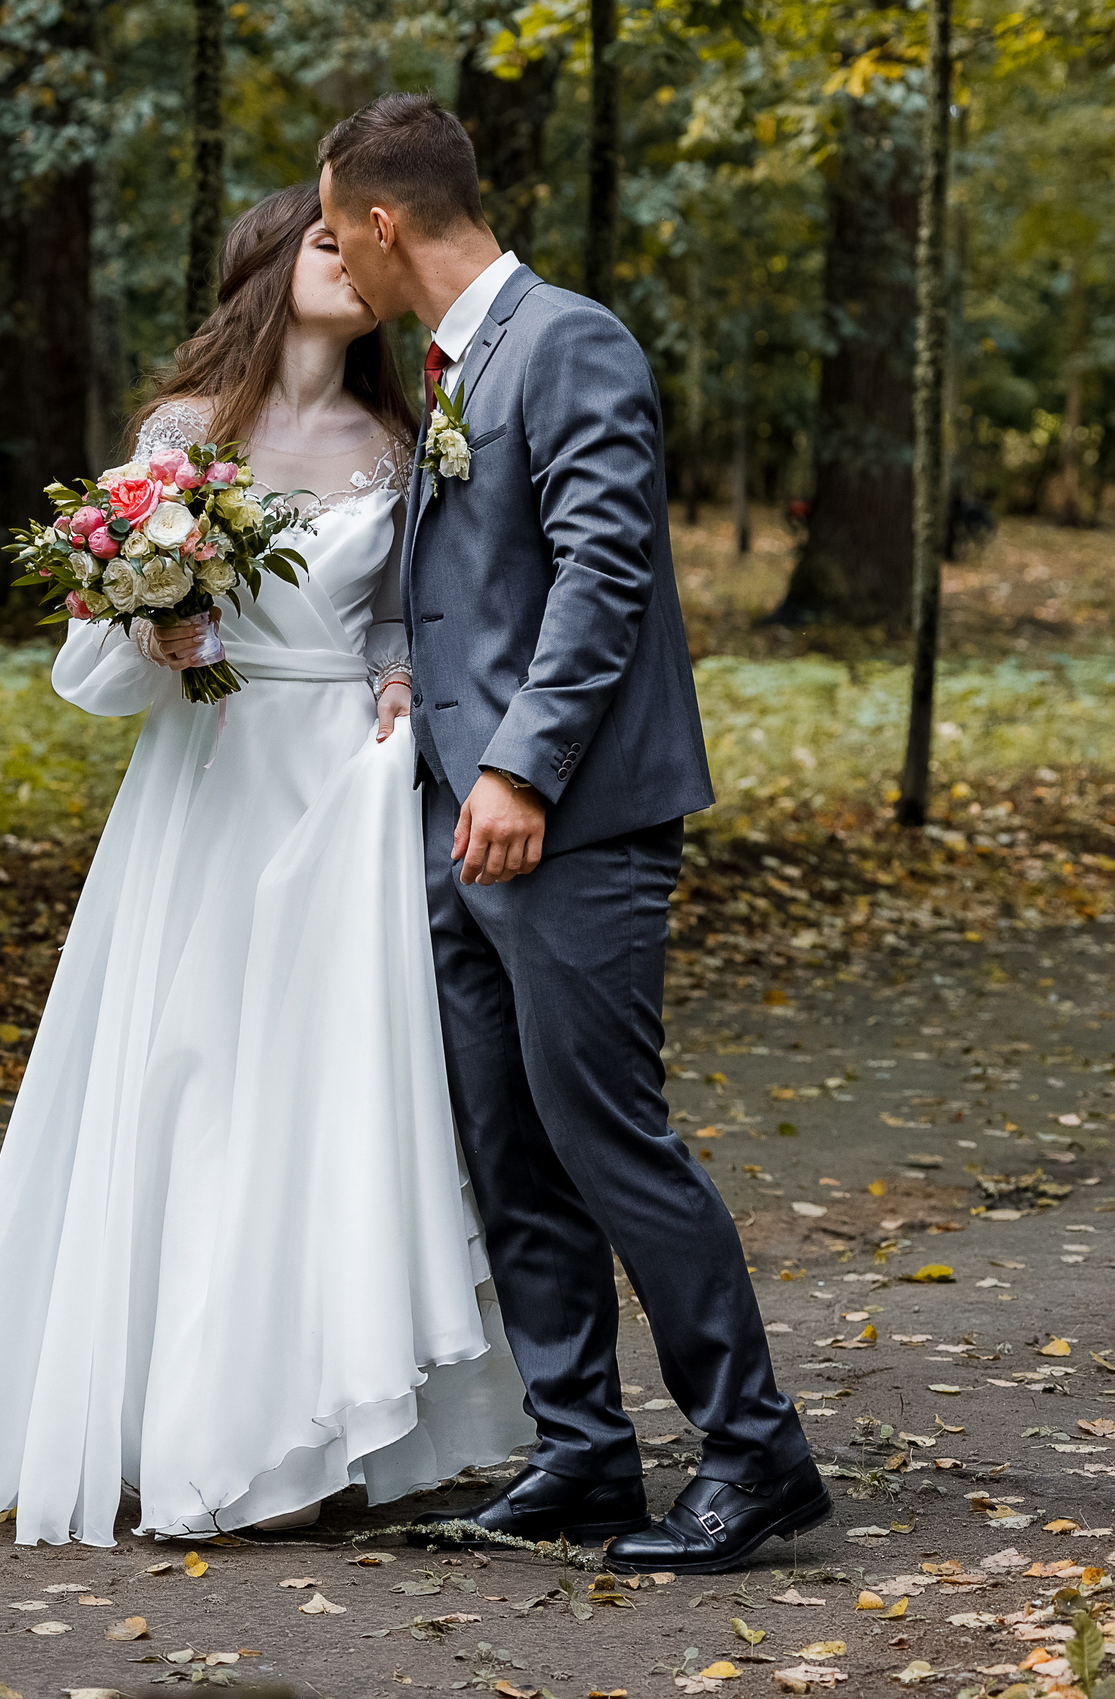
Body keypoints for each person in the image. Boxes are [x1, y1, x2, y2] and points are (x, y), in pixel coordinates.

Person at [0, 182, 536, 1550]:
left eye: (358, 250)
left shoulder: (400, 440)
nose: (350, 264)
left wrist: (402, 676)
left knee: (322, 1098)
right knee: (190, 1087)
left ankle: (327, 1429)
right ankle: (188, 1431)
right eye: (322, 242)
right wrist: (150, 635)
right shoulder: (181, 439)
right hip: (209, 777)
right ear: (264, 265)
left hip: (341, 790)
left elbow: (414, 612)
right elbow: (87, 664)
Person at [315, 93, 828, 1573]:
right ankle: (584, 1453)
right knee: (510, 1146)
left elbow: (608, 571)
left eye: (336, 218)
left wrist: (526, 771)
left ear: (386, 221)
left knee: (610, 1137)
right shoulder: (449, 364)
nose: (330, 245)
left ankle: (756, 1454)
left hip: (571, 821)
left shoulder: (570, 340)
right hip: (457, 820)